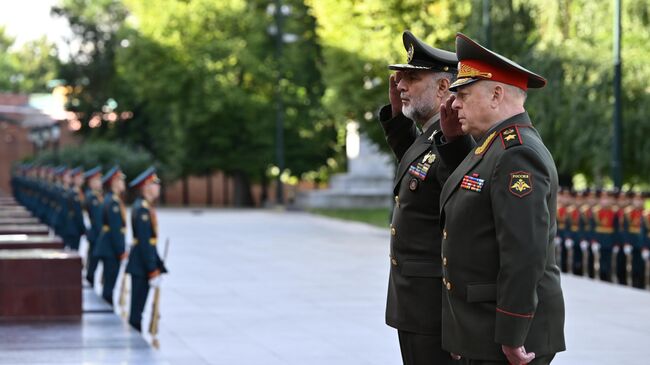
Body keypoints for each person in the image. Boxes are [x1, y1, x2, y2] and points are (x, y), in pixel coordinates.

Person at [439, 33, 565, 364]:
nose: (454, 104)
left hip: (510, 338)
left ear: (496, 95)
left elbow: (524, 251)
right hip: (482, 327)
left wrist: (512, 333)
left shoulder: (516, 154)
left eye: (463, 95)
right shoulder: (491, 147)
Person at [378, 30, 475, 365]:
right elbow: (416, 166)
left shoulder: (455, 138)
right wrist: (396, 116)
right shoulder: (431, 136)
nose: (401, 84)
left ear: (443, 88)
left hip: (435, 305)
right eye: (401, 77)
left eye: (412, 77)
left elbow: (463, 215)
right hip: (416, 302)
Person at [126, 167, 167, 332]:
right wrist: (152, 269)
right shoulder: (142, 209)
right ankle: (135, 340)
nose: (158, 187)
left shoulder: (144, 207)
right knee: (137, 310)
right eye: (154, 184)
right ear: (146, 187)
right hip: (141, 265)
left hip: (141, 263)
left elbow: (151, 242)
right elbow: (145, 243)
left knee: (138, 308)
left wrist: (158, 265)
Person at [93, 166, 128, 305]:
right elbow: (115, 230)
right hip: (110, 250)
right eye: (120, 180)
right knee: (109, 286)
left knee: (109, 284)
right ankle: (107, 310)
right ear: (114, 182)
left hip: (107, 247)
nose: (123, 183)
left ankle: (107, 309)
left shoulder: (111, 199)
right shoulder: (113, 202)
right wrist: (121, 251)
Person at [84, 166, 104, 287]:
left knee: (94, 261)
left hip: (97, 235)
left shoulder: (97, 196)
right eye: (97, 180)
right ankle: (89, 284)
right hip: (97, 235)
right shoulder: (92, 197)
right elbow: (98, 221)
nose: (100, 182)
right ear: (91, 182)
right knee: (93, 263)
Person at [61, 167, 87, 251]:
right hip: (74, 228)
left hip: (73, 227)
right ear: (74, 179)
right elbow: (78, 214)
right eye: (79, 178)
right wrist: (83, 229)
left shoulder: (76, 192)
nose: (82, 180)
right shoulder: (74, 194)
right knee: (74, 252)